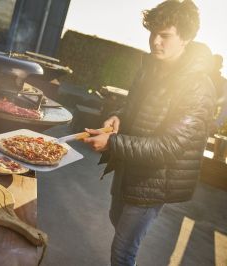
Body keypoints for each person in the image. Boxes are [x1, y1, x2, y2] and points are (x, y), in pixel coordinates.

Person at [83, 1, 216, 265]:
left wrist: (112, 142)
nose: (155, 41)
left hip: (154, 181)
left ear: (186, 38)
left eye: (165, 35)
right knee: (116, 220)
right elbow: (133, 107)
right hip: (129, 169)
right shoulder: (151, 68)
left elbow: (169, 146)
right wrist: (118, 117)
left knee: (122, 251)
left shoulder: (198, 86)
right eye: (153, 33)